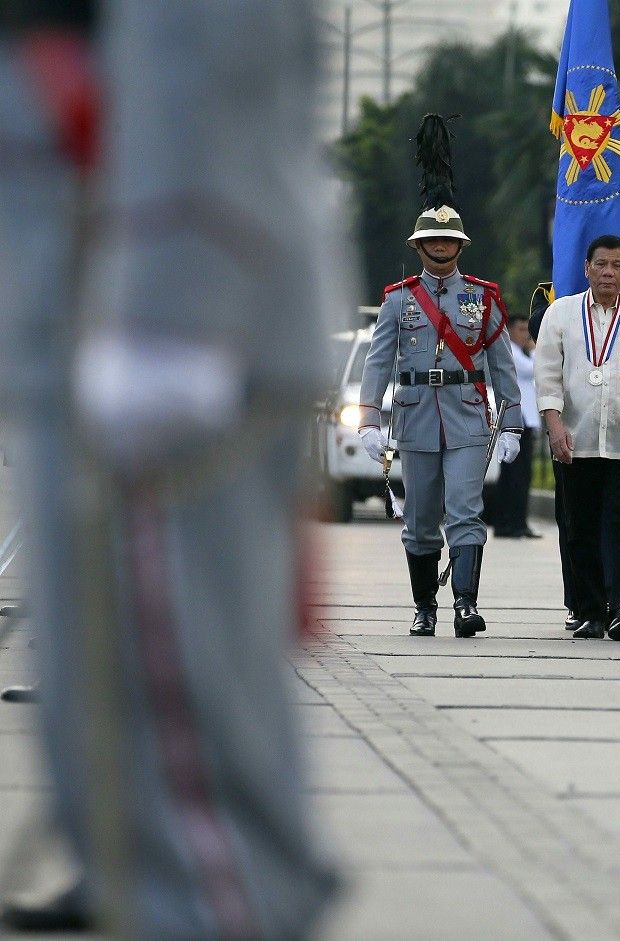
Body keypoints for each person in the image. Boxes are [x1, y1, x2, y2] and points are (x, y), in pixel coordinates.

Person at [1, 0, 339, 934]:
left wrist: (177, 282)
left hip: (152, 302)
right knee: (118, 790)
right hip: (78, 284)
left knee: (193, 822)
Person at [357, 115, 525, 639]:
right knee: (421, 518)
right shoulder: (398, 299)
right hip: (413, 416)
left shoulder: (483, 296)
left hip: (469, 417)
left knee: (466, 511)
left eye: (448, 240)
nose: (441, 248)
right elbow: (378, 361)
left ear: (460, 245)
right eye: (432, 240)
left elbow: (499, 362)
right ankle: (424, 606)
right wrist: (367, 417)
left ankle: (466, 605)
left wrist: (514, 422)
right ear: (418, 246)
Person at [535, 234, 620, 640]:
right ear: (587, 269)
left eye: (616, 265)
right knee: (580, 527)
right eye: (601, 265)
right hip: (576, 442)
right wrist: (554, 426)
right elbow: (547, 378)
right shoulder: (560, 314)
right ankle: (590, 608)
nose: (608, 272)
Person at [489, 315, 543, 538]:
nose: (525, 334)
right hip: (515, 421)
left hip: (526, 420)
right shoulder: (510, 350)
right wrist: (538, 348)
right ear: (510, 331)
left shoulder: (521, 352)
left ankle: (517, 521)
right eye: (521, 329)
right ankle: (508, 523)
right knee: (514, 476)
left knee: (522, 476)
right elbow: (536, 369)